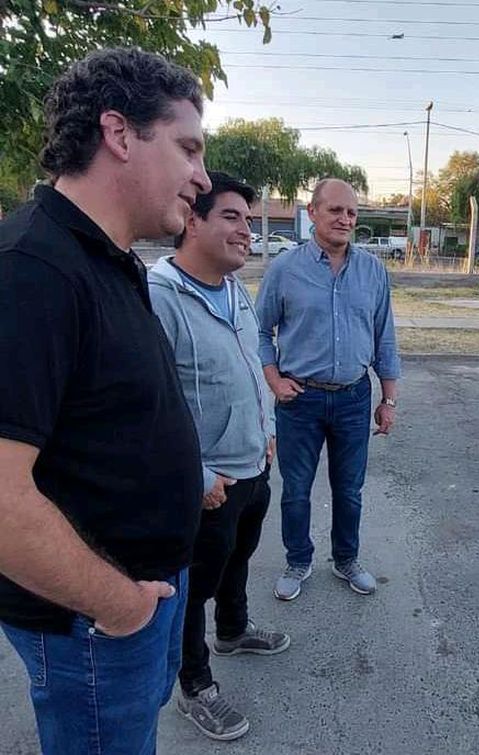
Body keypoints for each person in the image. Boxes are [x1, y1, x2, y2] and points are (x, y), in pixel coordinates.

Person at [0, 48, 211, 754]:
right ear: (119, 134)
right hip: (94, 618)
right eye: (188, 147)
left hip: (141, 597)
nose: (202, 177)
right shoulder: (32, 268)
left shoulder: (107, 258)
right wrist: (120, 606)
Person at [148, 171, 290, 741]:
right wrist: (198, 473)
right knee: (192, 589)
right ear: (192, 220)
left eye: (249, 222)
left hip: (255, 462)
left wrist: (269, 426)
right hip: (208, 481)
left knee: (239, 557)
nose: (246, 232)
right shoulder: (160, 298)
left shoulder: (233, 288)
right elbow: (151, 406)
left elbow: (251, 365)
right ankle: (195, 685)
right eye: (231, 218)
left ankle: (232, 630)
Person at [255, 178, 401, 601]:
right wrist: (274, 380)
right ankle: (297, 560)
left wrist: (388, 399)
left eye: (352, 212)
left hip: (354, 397)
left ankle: (346, 560)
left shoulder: (373, 271)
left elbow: (384, 338)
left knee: (349, 490)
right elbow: (261, 331)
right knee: (296, 490)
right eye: (335, 210)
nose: (345, 219)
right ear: (313, 213)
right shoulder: (285, 269)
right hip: (300, 399)